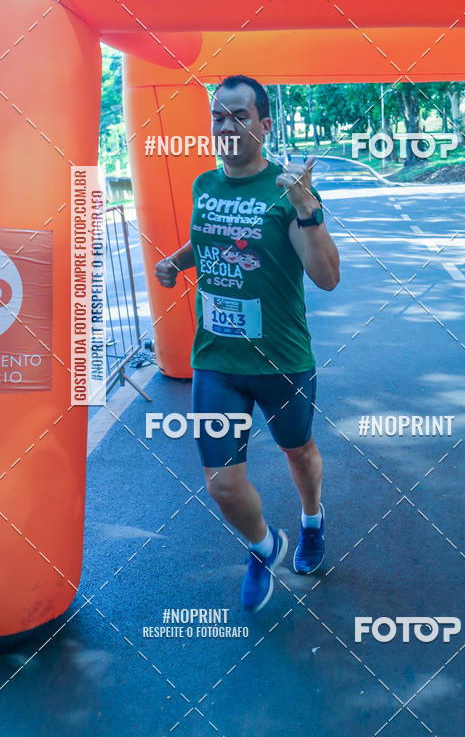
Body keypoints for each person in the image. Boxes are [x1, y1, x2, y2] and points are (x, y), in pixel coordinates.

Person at [155, 75, 340, 611]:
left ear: (263, 124)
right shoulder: (204, 186)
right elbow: (209, 236)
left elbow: (327, 276)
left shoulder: (288, 193)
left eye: (239, 115)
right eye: (219, 115)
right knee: (222, 486)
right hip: (216, 360)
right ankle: (264, 546)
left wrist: (308, 208)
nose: (227, 126)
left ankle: (311, 519)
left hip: (281, 360)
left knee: (298, 452)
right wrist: (176, 261)